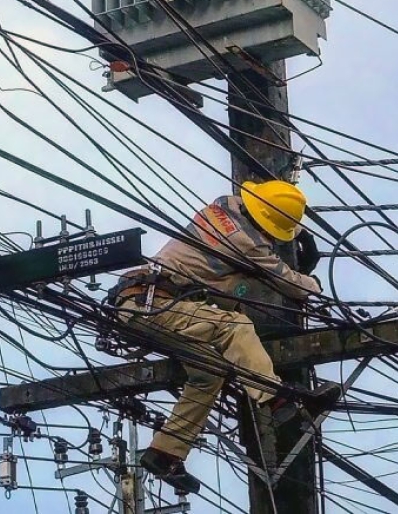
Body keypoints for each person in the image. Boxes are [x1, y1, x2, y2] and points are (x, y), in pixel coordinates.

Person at [112, 180, 340, 494]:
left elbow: (233, 277)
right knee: (235, 326)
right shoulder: (244, 242)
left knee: (208, 373)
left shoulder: (221, 206)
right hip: (154, 304)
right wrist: (312, 281)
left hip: (145, 303)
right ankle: (278, 401)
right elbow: (288, 283)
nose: (271, 241)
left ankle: (165, 454)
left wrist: (298, 232)